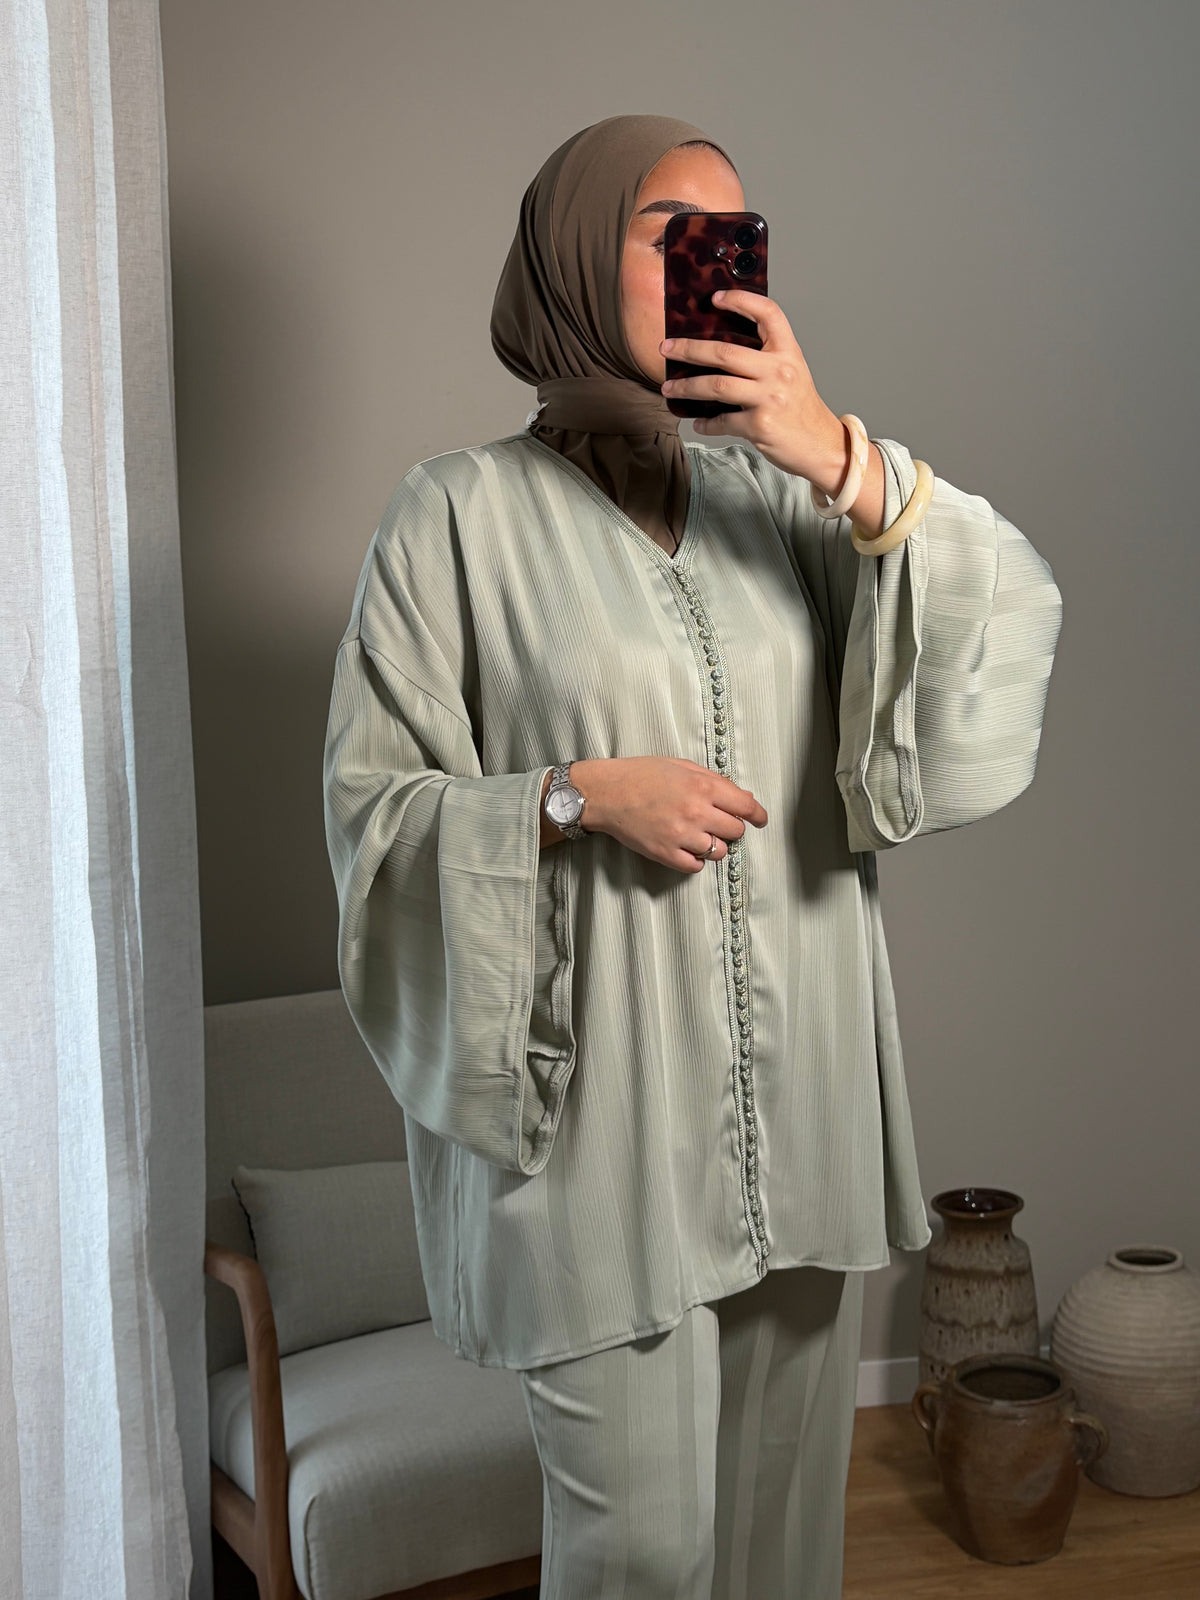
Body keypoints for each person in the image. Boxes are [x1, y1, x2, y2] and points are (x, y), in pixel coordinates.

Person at [322, 114, 1063, 1599]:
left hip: (803, 1102)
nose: (713, 266)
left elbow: (999, 624)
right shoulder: (454, 518)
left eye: (737, 236)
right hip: (598, 1132)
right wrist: (576, 796)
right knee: (643, 1556)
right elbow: (375, 819)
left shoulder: (782, 501)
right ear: (573, 258)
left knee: (782, 1547)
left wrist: (831, 450)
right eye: (668, 232)